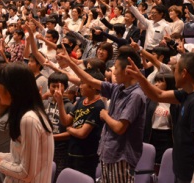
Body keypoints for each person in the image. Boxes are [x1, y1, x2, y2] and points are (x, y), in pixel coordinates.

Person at [57, 47, 146, 183]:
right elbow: (90, 80)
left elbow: (120, 128)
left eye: (115, 68)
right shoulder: (118, 88)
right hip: (108, 152)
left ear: (127, 70)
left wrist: (105, 115)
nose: (113, 72)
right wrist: (70, 62)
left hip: (121, 156)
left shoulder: (136, 95)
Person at [126, 52, 194, 183]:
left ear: (184, 73)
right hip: (184, 172)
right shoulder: (188, 93)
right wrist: (140, 77)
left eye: (175, 70)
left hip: (193, 176)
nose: (173, 73)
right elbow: (158, 95)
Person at [54, 68, 105, 181]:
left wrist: (70, 130)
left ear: (92, 86)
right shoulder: (82, 100)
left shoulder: (98, 106)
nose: (80, 86)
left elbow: (82, 133)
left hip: (86, 156)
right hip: (72, 151)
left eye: (82, 83)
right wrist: (60, 102)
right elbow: (66, 121)